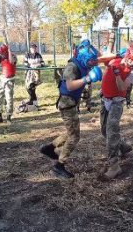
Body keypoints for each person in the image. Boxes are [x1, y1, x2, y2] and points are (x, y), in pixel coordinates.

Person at [39, 41, 102, 178]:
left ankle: (50, 148)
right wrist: (87, 78)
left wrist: (113, 56)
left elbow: (99, 57)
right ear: (85, 59)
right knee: (74, 136)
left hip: (72, 103)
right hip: (66, 103)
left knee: (71, 132)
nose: (93, 64)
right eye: (91, 61)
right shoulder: (72, 67)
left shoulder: (83, 63)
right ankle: (59, 166)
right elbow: (70, 86)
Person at [99, 45, 133, 180]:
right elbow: (100, 59)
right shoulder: (116, 60)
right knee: (104, 130)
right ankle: (123, 147)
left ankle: (114, 166)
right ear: (127, 56)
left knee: (111, 130)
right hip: (104, 99)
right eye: (131, 60)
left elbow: (122, 87)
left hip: (116, 102)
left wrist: (118, 73)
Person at [0, 44, 17, 123]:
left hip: (10, 79)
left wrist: (9, 51)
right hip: (2, 78)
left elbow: (11, 62)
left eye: (3, 52)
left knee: (9, 98)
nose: (2, 54)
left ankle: (9, 116)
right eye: (1, 52)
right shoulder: (1, 56)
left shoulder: (12, 56)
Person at [23, 43, 45, 109]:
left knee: (32, 86)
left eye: (35, 48)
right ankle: (32, 100)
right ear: (30, 49)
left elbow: (43, 63)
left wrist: (38, 65)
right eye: (32, 48)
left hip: (36, 73)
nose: (34, 49)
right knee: (28, 87)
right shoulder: (27, 55)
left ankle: (34, 102)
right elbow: (25, 63)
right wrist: (32, 66)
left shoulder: (39, 55)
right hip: (29, 73)